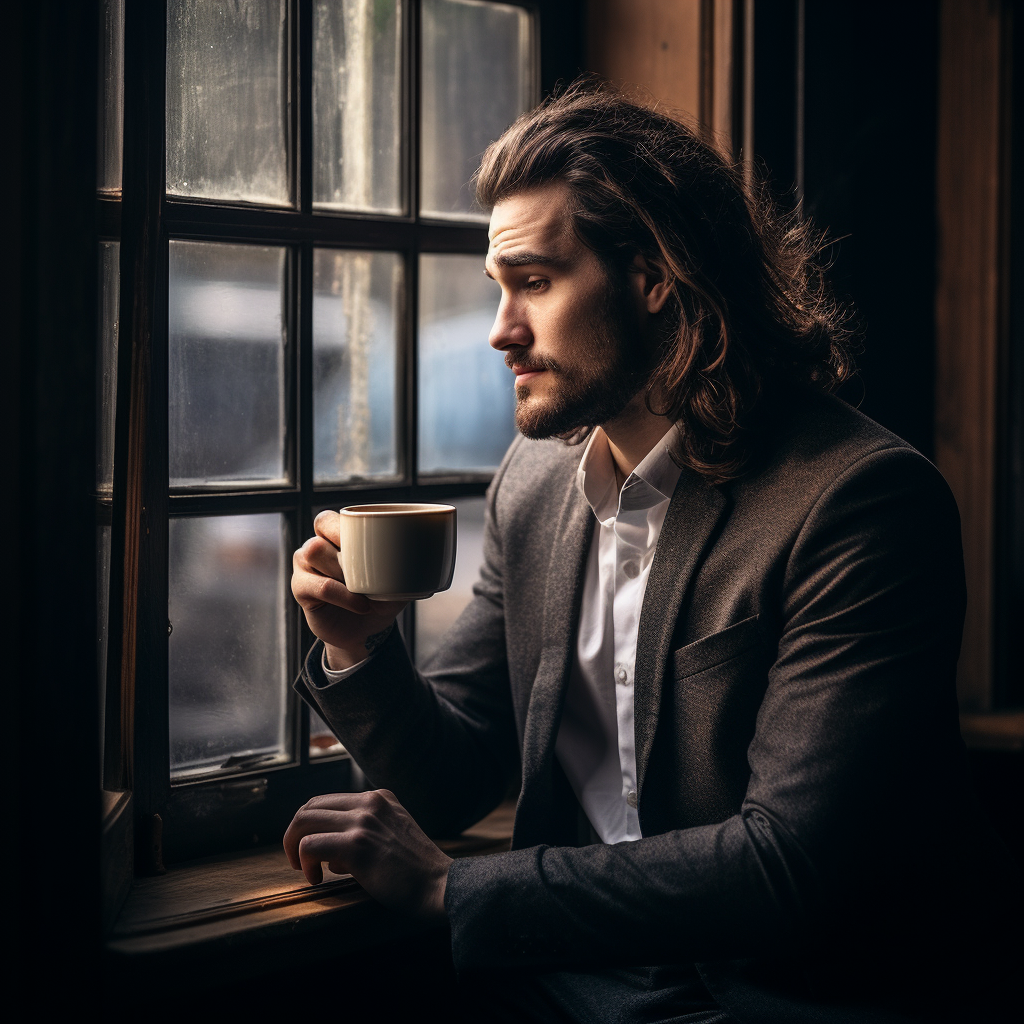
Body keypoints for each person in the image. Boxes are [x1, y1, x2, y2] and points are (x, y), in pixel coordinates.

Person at [284, 84, 1017, 1022]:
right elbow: (458, 770)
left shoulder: (862, 502)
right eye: (497, 290)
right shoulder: (535, 484)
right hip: (576, 989)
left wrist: (453, 891)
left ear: (654, 277)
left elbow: (787, 865)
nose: (502, 330)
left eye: (535, 282)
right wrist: (360, 648)